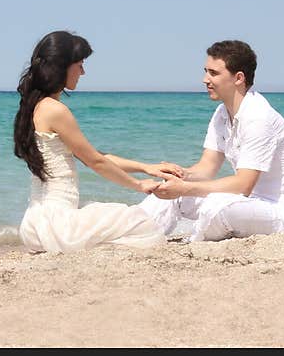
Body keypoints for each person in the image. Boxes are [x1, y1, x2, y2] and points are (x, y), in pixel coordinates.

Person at [13, 30, 180, 253]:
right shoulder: (56, 110)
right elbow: (95, 162)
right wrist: (139, 185)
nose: (83, 72)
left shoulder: (35, 106)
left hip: (36, 225)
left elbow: (96, 156)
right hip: (59, 226)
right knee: (140, 223)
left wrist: (146, 168)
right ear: (62, 66)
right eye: (80, 64)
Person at [139, 40, 284, 242]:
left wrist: (185, 187)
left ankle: (194, 242)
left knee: (217, 205)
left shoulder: (259, 117)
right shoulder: (222, 113)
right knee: (170, 191)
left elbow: (243, 184)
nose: (205, 79)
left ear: (238, 78)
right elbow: (207, 168)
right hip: (247, 204)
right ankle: (131, 233)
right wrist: (181, 175)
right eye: (206, 71)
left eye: (213, 73)